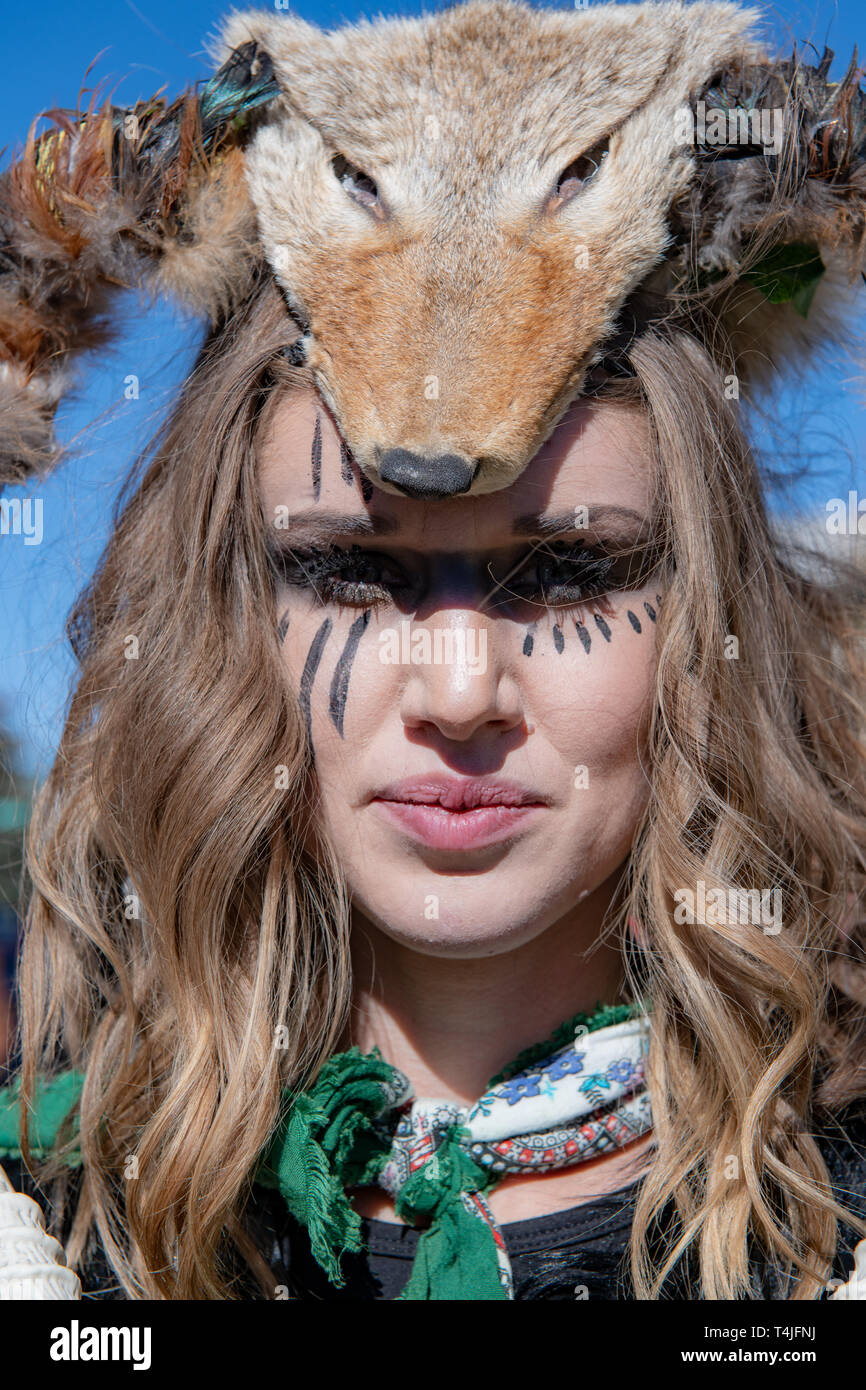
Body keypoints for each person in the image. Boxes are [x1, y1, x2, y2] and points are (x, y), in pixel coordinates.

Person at [1, 272, 865, 1301]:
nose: (460, 695)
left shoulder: (832, 1231)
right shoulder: (55, 1217)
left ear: (701, 621)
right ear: (222, 627)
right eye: (351, 570)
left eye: (565, 569)